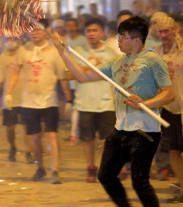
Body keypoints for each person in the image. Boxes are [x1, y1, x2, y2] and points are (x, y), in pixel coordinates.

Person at [53, 16, 174, 207]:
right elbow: (83, 76)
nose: (118, 40)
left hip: (145, 132)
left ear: (136, 39)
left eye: (122, 36)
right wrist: (63, 53)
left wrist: (146, 103)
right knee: (106, 175)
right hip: (121, 129)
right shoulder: (116, 62)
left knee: (139, 182)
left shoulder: (153, 60)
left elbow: (169, 94)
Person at [4, 19, 71, 184]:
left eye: (37, 30)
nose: (33, 33)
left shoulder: (55, 52)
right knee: (34, 138)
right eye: (31, 30)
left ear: (47, 31)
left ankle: (55, 170)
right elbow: (15, 72)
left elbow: (62, 77)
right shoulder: (23, 50)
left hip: (50, 100)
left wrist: (68, 98)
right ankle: (40, 168)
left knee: (52, 136)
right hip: (29, 101)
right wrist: (8, 93)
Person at [152, 15, 183, 203]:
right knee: (173, 150)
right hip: (168, 109)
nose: (164, 34)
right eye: (161, 31)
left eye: (167, 31)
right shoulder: (157, 52)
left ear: (174, 30)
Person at [70, 18, 118, 183]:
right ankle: (91, 167)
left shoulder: (110, 53)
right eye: (88, 31)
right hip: (84, 102)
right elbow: (70, 74)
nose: (91, 34)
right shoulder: (78, 51)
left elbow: (110, 74)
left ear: (102, 32)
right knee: (88, 139)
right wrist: (87, 68)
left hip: (106, 103)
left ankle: (109, 168)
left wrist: (86, 73)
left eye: (95, 30)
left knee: (108, 140)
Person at [0, 39, 32, 163]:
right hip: (9, 98)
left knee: (27, 126)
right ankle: (12, 147)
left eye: (15, 39)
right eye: (9, 39)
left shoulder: (26, 55)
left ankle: (29, 151)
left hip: (26, 97)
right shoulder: (2, 59)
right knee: (10, 127)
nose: (12, 42)